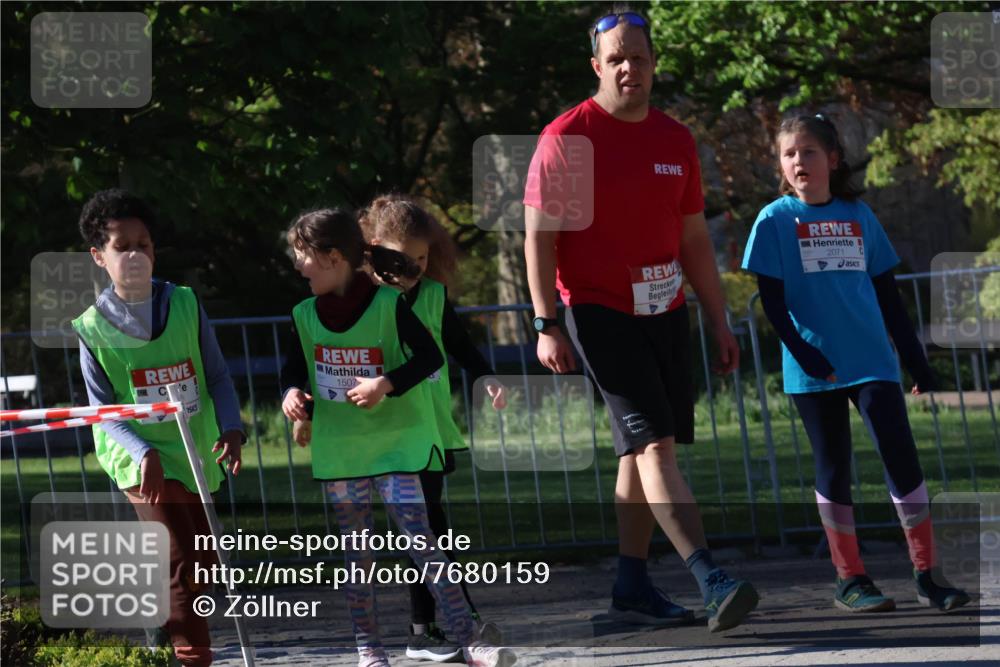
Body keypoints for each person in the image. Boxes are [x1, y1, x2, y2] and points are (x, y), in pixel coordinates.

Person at [522, 6, 758, 633]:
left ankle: (630, 587)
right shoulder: (569, 138)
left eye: (640, 57)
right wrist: (546, 323)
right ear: (596, 66)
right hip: (599, 311)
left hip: (666, 310)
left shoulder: (675, 140)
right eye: (617, 58)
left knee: (639, 453)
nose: (630, 67)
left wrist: (718, 317)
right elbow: (540, 240)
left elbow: (694, 242)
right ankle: (712, 578)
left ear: (655, 65)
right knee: (654, 444)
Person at [742, 113, 971, 613]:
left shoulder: (859, 215)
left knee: (901, 459)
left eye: (809, 152)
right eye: (789, 154)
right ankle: (851, 579)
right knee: (834, 466)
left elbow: (890, 298)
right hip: (813, 368)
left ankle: (928, 574)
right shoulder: (774, 220)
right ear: (780, 164)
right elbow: (773, 303)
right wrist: (804, 352)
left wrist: (916, 361)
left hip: (872, 361)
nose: (798, 161)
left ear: (833, 159)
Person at [280, 208, 516, 667]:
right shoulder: (304, 314)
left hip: (398, 444)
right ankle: (370, 651)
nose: (296, 265)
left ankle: (470, 642)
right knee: (357, 555)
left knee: (423, 541)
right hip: (343, 450)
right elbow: (295, 370)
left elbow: (430, 356)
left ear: (333, 258)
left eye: (301, 255)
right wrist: (293, 395)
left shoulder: (391, 305)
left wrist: (384, 384)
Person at [74, 188, 245, 667]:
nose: (134, 254)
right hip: (139, 455)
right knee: (179, 559)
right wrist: (141, 451)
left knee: (203, 566)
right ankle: (193, 657)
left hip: (194, 448)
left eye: (143, 244)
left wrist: (231, 429)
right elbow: (102, 408)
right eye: (121, 245)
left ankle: (158, 636)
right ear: (98, 256)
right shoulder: (90, 327)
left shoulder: (185, 303)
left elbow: (217, 376)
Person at [360, 194, 506, 662]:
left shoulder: (436, 296)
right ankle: (440, 624)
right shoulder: (363, 303)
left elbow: (460, 346)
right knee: (422, 531)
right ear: (377, 247)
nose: (417, 266)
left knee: (431, 530)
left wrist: (486, 377)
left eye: (423, 257)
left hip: (432, 434)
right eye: (407, 258)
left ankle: (430, 627)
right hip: (387, 435)